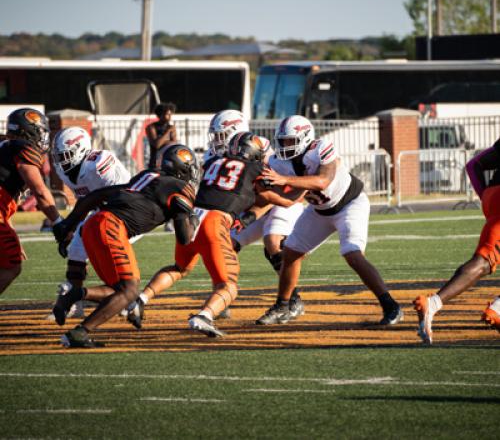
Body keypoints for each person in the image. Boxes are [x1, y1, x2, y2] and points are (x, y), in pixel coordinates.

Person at [126, 132, 300, 337]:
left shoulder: (214, 161)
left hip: (191, 218)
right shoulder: (256, 168)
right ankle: (204, 316)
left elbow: (237, 193)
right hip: (214, 222)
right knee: (228, 285)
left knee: (180, 267)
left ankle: (140, 300)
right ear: (253, 152)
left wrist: (246, 218)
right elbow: (285, 199)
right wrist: (307, 186)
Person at [255, 115, 403, 326]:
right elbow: (283, 193)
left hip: (350, 204)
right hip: (319, 210)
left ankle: (391, 306)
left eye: (291, 141)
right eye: (283, 141)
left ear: (305, 138)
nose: (286, 146)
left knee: (352, 253)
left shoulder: (321, 148)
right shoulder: (280, 163)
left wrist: (284, 180)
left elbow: (323, 181)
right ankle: (283, 305)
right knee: (291, 252)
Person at [52, 144, 200, 348]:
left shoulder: (148, 176)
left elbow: (94, 197)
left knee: (119, 290)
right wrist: (194, 220)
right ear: (183, 169)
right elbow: (185, 238)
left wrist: (69, 223)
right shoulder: (181, 188)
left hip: (93, 224)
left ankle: (76, 294)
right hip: (112, 226)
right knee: (129, 291)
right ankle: (79, 333)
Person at [206, 109, 305, 320]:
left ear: (235, 130)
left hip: (277, 203)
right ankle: (222, 296)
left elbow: (274, 193)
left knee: (273, 241)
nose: (216, 141)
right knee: (225, 245)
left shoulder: (261, 149)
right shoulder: (216, 154)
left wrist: (250, 216)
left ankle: (292, 299)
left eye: (220, 135)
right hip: (252, 207)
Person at [414, 139, 500, 344]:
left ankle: (497, 310)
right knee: (484, 260)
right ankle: (433, 303)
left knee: (487, 257)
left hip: (492, 195)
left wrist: (486, 198)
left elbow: (474, 166)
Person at [50, 126, 131, 320]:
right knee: (76, 250)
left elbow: (123, 194)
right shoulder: (66, 172)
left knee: (102, 249)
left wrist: (74, 222)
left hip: (126, 212)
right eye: (59, 156)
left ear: (80, 149)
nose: (62, 161)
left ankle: (125, 299)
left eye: (67, 155)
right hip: (100, 213)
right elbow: (85, 200)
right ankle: (74, 304)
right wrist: (71, 228)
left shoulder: (99, 163)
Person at [0, 108, 63, 295]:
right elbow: (40, 192)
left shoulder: (6, 146)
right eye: (39, 132)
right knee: (11, 267)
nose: (42, 137)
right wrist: (58, 222)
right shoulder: (22, 148)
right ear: (27, 131)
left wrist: (11, 233)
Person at [146, 102, 177, 169]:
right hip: (155, 162)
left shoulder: (171, 127)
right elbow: (157, 145)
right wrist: (167, 132)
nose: (170, 117)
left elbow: (174, 143)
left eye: (171, 114)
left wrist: (162, 141)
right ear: (160, 115)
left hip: (168, 161)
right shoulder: (151, 127)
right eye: (167, 114)